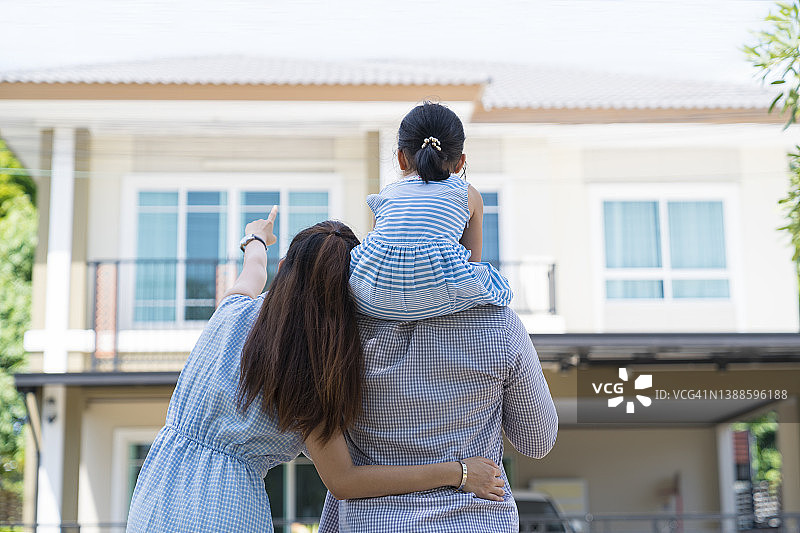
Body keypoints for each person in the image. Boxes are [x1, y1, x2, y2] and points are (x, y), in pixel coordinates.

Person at [126, 208, 505, 532]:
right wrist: (460, 473)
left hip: (157, 491)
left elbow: (253, 271)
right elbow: (344, 480)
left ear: (285, 269)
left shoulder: (233, 310)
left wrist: (255, 238)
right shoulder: (309, 369)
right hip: (228, 506)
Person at [317, 103, 558, 532]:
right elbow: (537, 441)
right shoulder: (499, 328)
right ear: (461, 162)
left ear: (400, 160)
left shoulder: (339, 327)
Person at [348, 101, 514, 321]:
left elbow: (381, 250)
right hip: (438, 295)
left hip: (373, 298)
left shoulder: (386, 194)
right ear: (460, 163)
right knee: (494, 281)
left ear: (400, 157)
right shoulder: (468, 194)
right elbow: (473, 262)